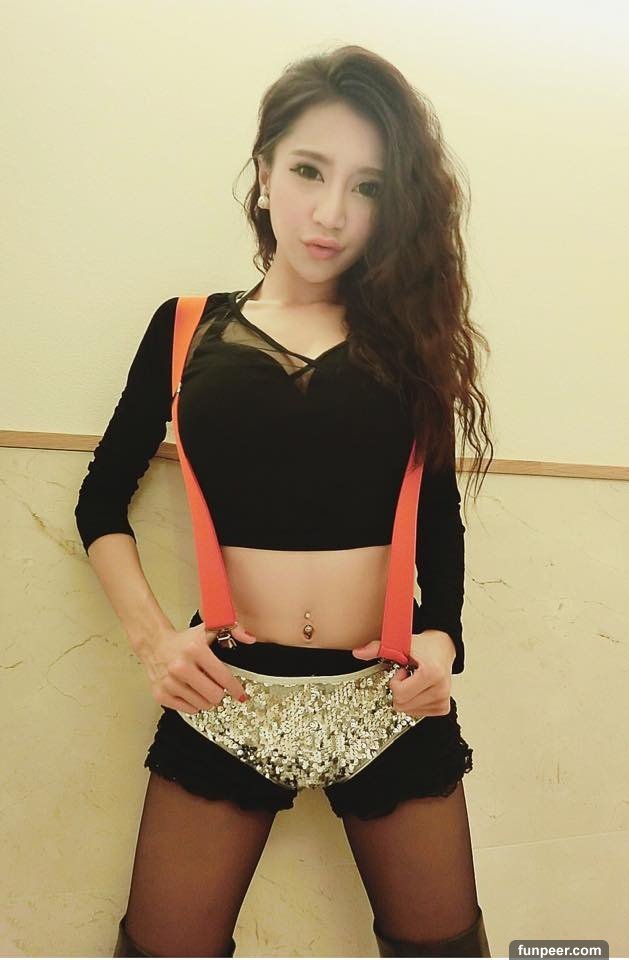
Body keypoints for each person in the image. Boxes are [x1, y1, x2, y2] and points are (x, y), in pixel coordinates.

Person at [75, 44, 494, 959]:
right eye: (309, 170)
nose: (332, 211)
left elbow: (436, 516)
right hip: (226, 693)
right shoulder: (186, 327)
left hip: (387, 700)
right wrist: (154, 642)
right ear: (264, 172)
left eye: (367, 187)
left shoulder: (409, 340)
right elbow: (100, 502)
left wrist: (441, 639)